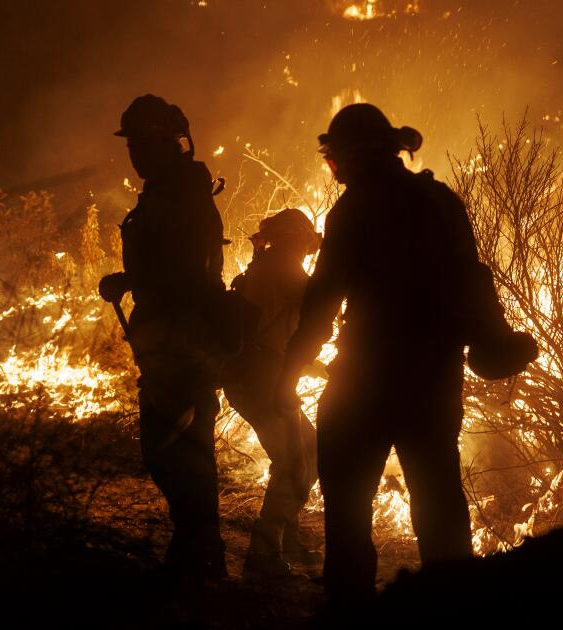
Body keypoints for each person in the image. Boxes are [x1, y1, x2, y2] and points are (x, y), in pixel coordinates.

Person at [277, 103, 536, 604]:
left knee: (349, 506)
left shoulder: (354, 210)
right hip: (431, 380)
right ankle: (453, 605)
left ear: (355, 155)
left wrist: (289, 368)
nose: (334, 170)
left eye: (334, 159)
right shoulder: (442, 202)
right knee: (438, 499)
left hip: (363, 383)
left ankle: (350, 609)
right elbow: (472, 281)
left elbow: (323, 299)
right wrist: (496, 344)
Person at [98, 95, 231, 583]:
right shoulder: (166, 191)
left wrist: (134, 285)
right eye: (131, 143)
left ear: (165, 141)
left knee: (176, 447)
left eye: (141, 142)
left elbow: (189, 270)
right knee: (176, 448)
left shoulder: (183, 196)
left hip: (184, 338)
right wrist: (130, 282)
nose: (133, 153)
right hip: (168, 336)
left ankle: (200, 551)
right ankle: (197, 546)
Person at [222, 208, 323, 578]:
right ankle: (263, 554)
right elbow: (318, 302)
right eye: (304, 239)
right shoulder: (282, 265)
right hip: (260, 379)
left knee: (308, 448)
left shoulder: (268, 263)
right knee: (295, 463)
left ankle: (287, 537)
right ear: (296, 239)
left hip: (258, 375)